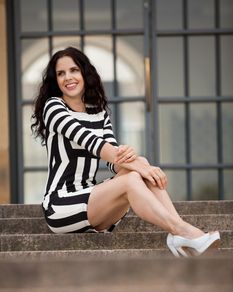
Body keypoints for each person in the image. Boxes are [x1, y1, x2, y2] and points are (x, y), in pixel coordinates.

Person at [32, 46, 220, 257]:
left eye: (74, 70)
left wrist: (136, 161)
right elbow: (93, 144)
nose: (68, 77)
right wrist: (138, 165)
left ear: (84, 73)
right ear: (55, 80)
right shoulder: (54, 107)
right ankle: (182, 231)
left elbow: (114, 161)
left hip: (95, 202)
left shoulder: (98, 112)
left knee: (140, 163)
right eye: (61, 73)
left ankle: (179, 232)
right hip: (61, 205)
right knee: (134, 174)